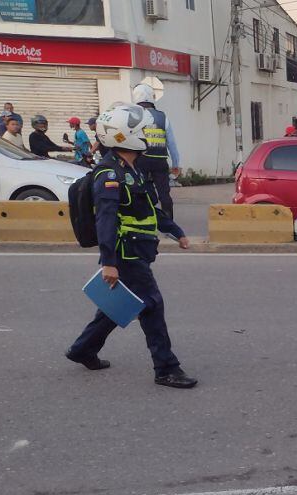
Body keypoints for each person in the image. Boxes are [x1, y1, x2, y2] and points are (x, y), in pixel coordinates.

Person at [65, 103, 197, 389]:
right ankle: (166, 368)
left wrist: (176, 231)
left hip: (138, 249)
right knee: (151, 305)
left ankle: (83, 349)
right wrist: (108, 262)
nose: (146, 135)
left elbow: (149, 207)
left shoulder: (133, 169)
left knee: (119, 306)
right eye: (139, 131)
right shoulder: (109, 174)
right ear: (123, 136)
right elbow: (106, 220)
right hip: (125, 252)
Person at [133, 83, 181, 219]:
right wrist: (176, 164)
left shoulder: (134, 116)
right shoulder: (162, 117)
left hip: (141, 160)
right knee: (164, 193)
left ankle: (146, 218)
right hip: (160, 160)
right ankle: (169, 223)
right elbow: (171, 143)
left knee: (141, 190)